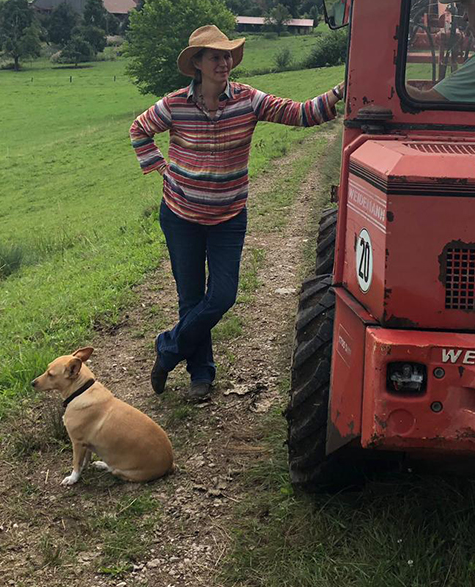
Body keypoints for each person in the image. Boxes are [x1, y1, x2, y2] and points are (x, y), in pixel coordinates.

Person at [130, 25, 344, 401]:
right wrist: (161, 168)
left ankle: (167, 349)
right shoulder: (176, 104)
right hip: (180, 216)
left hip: (229, 217)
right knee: (191, 298)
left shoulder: (248, 100)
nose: (224, 62)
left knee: (223, 295)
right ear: (197, 63)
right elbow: (139, 130)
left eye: (227, 55)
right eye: (215, 56)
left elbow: (298, 114)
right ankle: (201, 376)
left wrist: (340, 92)